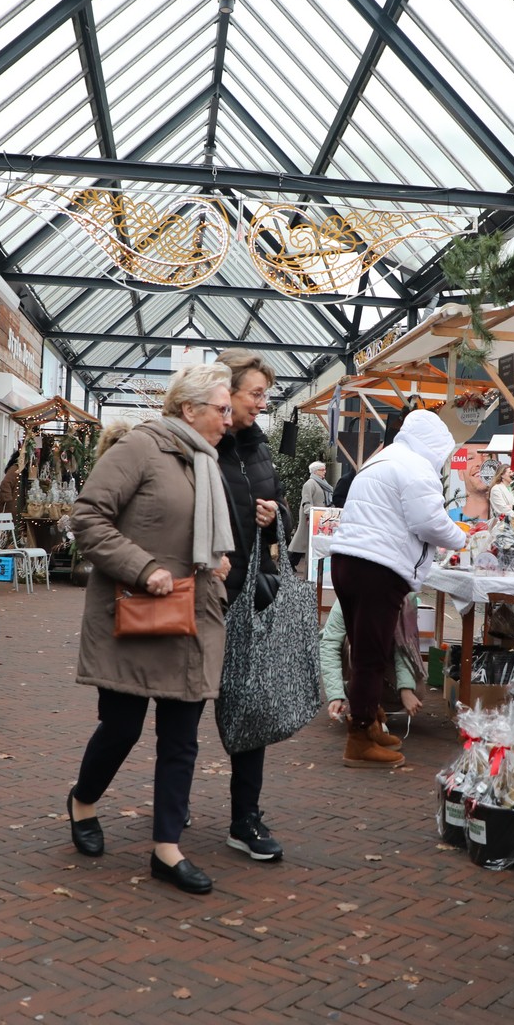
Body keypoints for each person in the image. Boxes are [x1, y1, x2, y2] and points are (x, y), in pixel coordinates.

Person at [66, 364, 234, 895]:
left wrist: (216, 559)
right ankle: (83, 801)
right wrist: (143, 568)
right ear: (190, 409)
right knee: (122, 727)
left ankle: (167, 849)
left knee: (181, 739)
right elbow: (88, 518)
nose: (229, 419)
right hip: (136, 614)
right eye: (222, 409)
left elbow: (193, 531)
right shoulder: (140, 449)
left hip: (192, 617)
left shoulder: (205, 460)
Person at [329, 410, 466, 767]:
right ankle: (360, 739)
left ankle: (370, 720)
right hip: (378, 567)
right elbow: (429, 522)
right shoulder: (417, 467)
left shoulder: (382, 459)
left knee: (363, 649)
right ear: (435, 445)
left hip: (348, 561)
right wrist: (461, 537)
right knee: (371, 655)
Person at [213, 349, 285, 863]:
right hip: (203, 599)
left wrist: (274, 515)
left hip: (249, 599)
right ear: (227, 392)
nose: (262, 403)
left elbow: (278, 511)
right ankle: (173, 805)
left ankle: (245, 818)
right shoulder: (198, 445)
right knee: (182, 714)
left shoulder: (259, 450)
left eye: (265, 395)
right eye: (255, 394)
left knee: (250, 710)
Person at [317, 600, 422, 748]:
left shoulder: (407, 598)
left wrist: (406, 688)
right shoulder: (348, 597)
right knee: (362, 641)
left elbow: (404, 646)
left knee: (417, 690)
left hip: (385, 653)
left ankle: (375, 709)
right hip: (354, 650)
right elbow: (330, 645)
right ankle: (365, 718)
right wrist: (335, 695)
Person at [288, 460, 331, 572]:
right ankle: (290, 563)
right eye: (322, 470)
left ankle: (291, 563)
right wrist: (309, 515)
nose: (325, 472)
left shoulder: (323, 483)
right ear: (315, 471)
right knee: (301, 540)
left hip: (319, 517)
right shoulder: (310, 483)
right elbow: (306, 500)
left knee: (304, 541)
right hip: (311, 516)